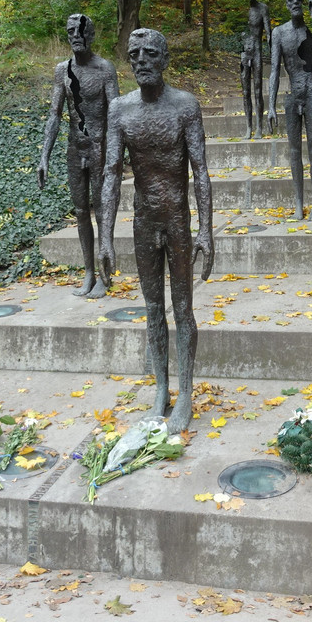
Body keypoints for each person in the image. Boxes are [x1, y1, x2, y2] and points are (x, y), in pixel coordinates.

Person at [98, 28, 215, 435]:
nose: (141, 60)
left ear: (165, 59)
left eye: (150, 53)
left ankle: (185, 392)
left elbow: (200, 169)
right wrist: (104, 236)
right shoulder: (119, 110)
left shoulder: (185, 106)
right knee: (152, 310)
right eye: (134, 54)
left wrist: (206, 230)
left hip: (178, 220)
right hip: (144, 219)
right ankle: (161, 388)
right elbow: (111, 173)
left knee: (182, 308)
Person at [38, 13, 119, 298]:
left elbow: (116, 114)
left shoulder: (105, 69)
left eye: (81, 31)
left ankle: (103, 275)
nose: (76, 35)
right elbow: (54, 115)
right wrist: (44, 156)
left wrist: (115, 156)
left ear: (91, 36)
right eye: (71, 31)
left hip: (99, 149)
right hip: (75, 149)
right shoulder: (62, 70)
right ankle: (87, 271)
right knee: (82, 212)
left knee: (101, 212)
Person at [269, 0, 312, 221]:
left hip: (310, 93)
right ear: (286, 2)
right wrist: (270, 105)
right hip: (292, 97)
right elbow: (274, 71)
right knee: (294, 152)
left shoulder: (311, 32)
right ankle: (299, 204)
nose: (295, 2)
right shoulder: (278, 33)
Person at [241, 0, 272, 139]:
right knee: (245, 92)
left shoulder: (262, 9)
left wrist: (273, 51)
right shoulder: (249, 9)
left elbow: (268, 32)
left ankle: (259, 127)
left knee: (257, 90)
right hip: (246, 53)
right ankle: (248, 127)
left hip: (258, 52)